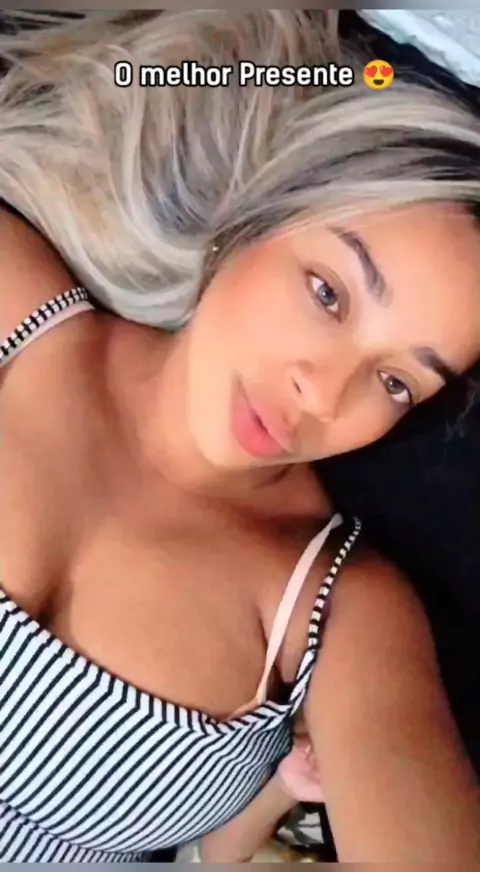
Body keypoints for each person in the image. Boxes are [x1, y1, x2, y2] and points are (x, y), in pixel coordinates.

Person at [1, 10, 480, 864]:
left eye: (396, 382)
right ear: (253, 220)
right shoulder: (18, 313)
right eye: (328, 293)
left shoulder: (344, 607)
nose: (321, 393)